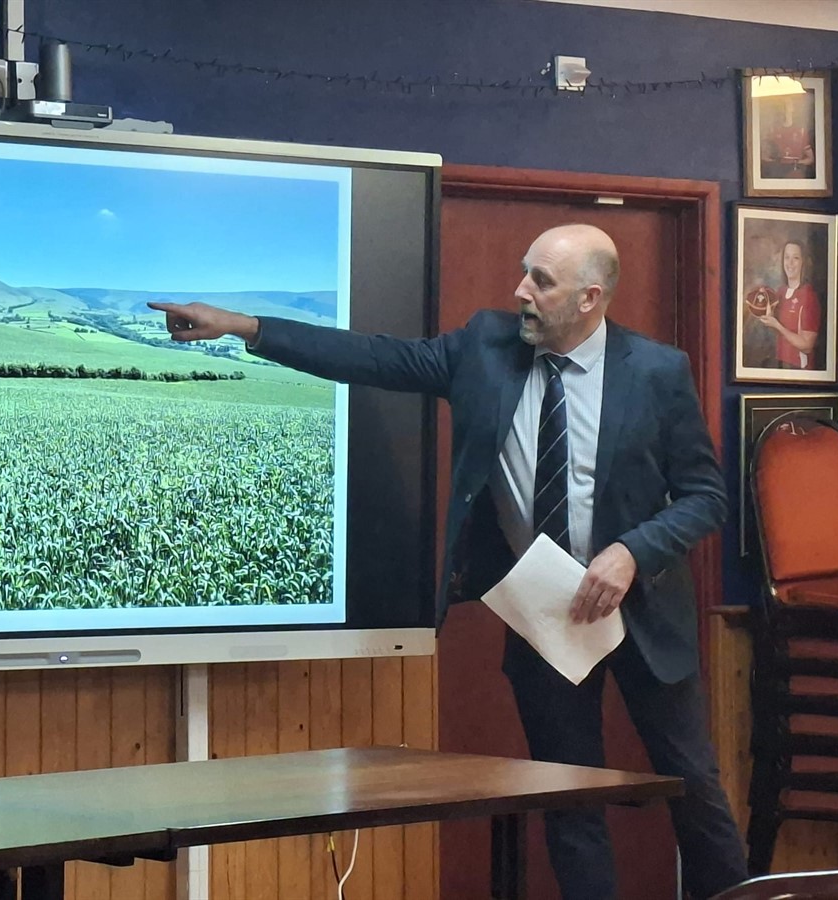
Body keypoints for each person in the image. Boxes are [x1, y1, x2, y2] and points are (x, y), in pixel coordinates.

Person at [148, 223, 748, 900]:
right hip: (545, 618)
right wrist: (241, 326)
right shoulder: (483, 349)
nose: (520, 291)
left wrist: (631, 552)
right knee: (569, 797)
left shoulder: (658, 372)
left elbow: (706, 496)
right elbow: (373, 358)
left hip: (642, 617)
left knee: (694, 786)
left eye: (541, 281)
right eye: (524, 272)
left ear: (590, 298)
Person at [757, 239, 821, 370]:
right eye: (787, 257)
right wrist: (767, 318)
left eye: (795, 258)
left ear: (803, 262)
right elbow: (780, 330)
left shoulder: (808, 296)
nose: (790, 263)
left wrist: (777, 326)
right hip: (781, 363)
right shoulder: (781, 292)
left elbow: (807, 345)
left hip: (799, 369)